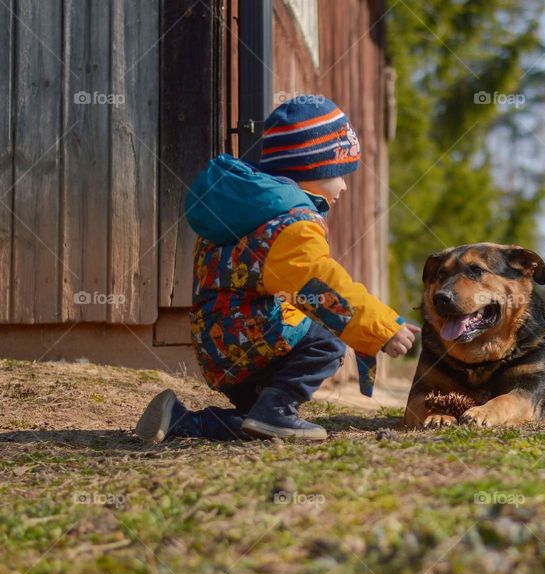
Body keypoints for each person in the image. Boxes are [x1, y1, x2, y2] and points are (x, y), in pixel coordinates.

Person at [135, 97, 419, 442]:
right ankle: (277, 409)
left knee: (255, 423)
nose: (344, 186)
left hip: (221, 350)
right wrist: (382, 327)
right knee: (328, 333)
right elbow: (320, 287)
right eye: (340, 174)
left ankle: (185, 421)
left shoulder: (246, 211)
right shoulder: (290, 224)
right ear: (312, 169)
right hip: (251, 342)